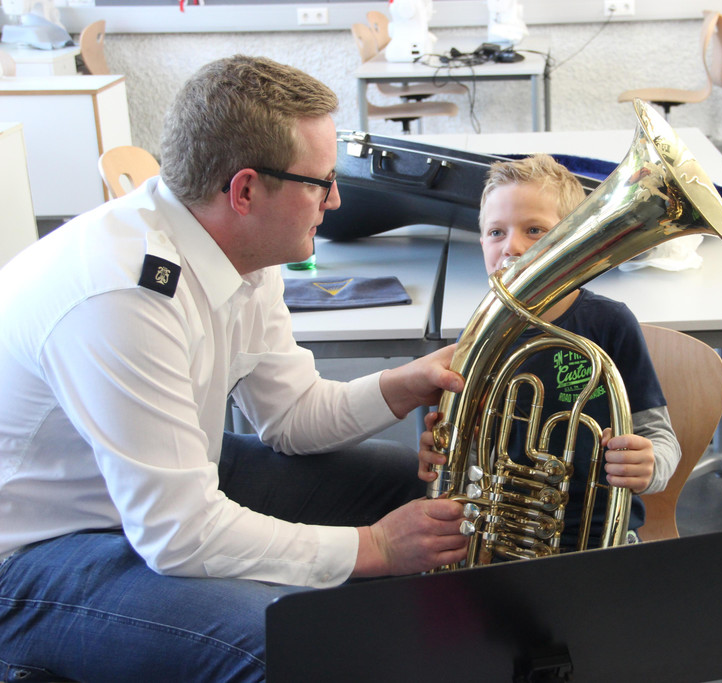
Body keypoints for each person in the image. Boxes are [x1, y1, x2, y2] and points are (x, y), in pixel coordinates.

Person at [0, 55, 469, 682]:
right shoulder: (121, 295)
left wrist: (406, 384)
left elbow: (292, 418)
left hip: (138, 492)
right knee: (287, 643)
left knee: (403, 483)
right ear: (245, 191)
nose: (335, 199)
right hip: (32, 554)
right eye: (322, 181)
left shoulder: (243, 249)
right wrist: (375, 547)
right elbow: (180, 532)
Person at [417, 154, 681, 552]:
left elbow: (660, 437)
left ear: (574, 239)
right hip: (498, 536)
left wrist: (649, 464)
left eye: (534, 230)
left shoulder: (610, 323)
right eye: (496, 232)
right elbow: (464, 452)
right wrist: (443, 451)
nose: (512, 247)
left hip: (598, 537)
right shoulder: (475, 338)